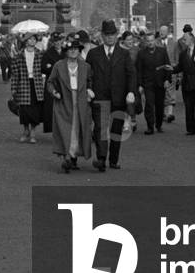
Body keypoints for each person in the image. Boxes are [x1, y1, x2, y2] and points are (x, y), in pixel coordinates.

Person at [85, 20, 137, 171]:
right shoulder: (93, 54)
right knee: (100, 129)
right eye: (107, 35)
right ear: (102, 36)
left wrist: (131, 91)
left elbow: (131, 74)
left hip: (119, 98)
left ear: (116, 35)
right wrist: (88, 88)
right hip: (100, 97)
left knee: (116, 131)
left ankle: (113, 160)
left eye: (112, 34)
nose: (109, 37)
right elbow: (88, 75)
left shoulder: (124, 54)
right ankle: (101, 159)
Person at [47, 35, 93, 172]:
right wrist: (54, 92)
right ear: (66, 51)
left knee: (77, 128)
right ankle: (66, 157)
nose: (73, 51)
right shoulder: (58, 66)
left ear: (79, 51)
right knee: (65, 128)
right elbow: (50, 82)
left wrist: (89, 91)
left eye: (76, 49)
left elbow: (90, 81)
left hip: (81, 102)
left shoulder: (86, 66)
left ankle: (73, 157)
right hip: (64, 101)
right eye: (70, 49)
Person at [10, 33, 47, 143]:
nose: (32, 41)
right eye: (30, 39)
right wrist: (14, 87)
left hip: (36, 84)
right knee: (24, 109)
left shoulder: (40, 54)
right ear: (26, 41)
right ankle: (26, 130)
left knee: (35, 108)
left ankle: (33, 132)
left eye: (34, 39)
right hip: (23, 83)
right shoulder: (19, 55)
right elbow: (15, 73)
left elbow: (44, 69)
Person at [135, 28, 172, 134]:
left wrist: (167, 79)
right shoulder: (141, 54)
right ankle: (150, 126)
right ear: (146, 42)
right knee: (149, 105)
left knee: (160, 105)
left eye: (152, 40)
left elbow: (167, 66)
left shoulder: (162, 51)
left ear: (155, 41)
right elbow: (139, 70)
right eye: (148, 41)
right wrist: (140, 84)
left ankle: (159, 125)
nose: (150, 43)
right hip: (148, 84)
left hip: (160, 82)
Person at [174, 25, 195, 136]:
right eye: (183, 39)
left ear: (191, 39)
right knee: (188, 107)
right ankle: (190, 129)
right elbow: (180, 67)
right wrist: (171, 70)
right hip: (187, 83)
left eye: (185, 39)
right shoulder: (183, 54)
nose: (183, 41)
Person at [39, 31, 64, 134]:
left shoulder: (66, 52)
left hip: (64, 82)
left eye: (59, 41)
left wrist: (52, 66)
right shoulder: (48, 53)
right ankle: (53, 128)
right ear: (52, 42)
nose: (57, 43)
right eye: (55, 41)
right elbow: (43, 68)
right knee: (51, 106)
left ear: (61, 41)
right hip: (52, 82)